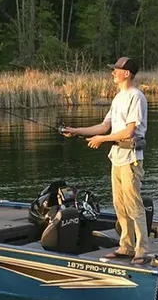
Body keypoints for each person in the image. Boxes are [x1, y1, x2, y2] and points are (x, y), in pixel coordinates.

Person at [62, 56, 149, 264]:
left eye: (116, 70)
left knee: (134, 205)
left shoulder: (136, 97)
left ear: (126, 73)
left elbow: (129, 132)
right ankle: (126, 247)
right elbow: (104, 127)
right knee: (120, 205)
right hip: (117, 159)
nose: (113, 73)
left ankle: (142, 249)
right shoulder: (118, 98)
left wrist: (102, 140)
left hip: (130, 160)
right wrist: (76, 130)